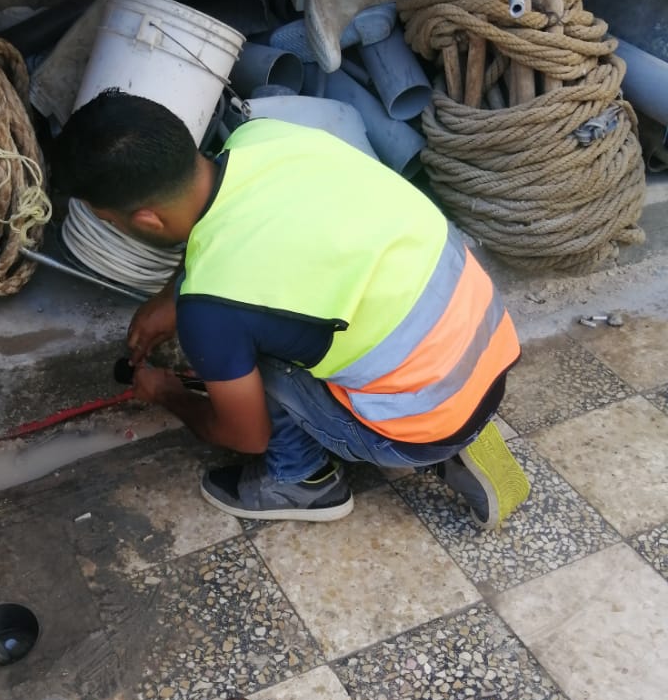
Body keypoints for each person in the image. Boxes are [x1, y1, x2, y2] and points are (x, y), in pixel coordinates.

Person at [55, 90, 530, 528]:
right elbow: (224, 225)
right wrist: (170, 297)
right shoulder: (263, 137)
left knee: (248, 350)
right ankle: (447, 413)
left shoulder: (210, 309)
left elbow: (246, 436)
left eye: (108, 220)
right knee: (273, 318)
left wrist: (167, 393)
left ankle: (302, 481)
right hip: (484, 347)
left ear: (146, 219)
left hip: (419, 423)